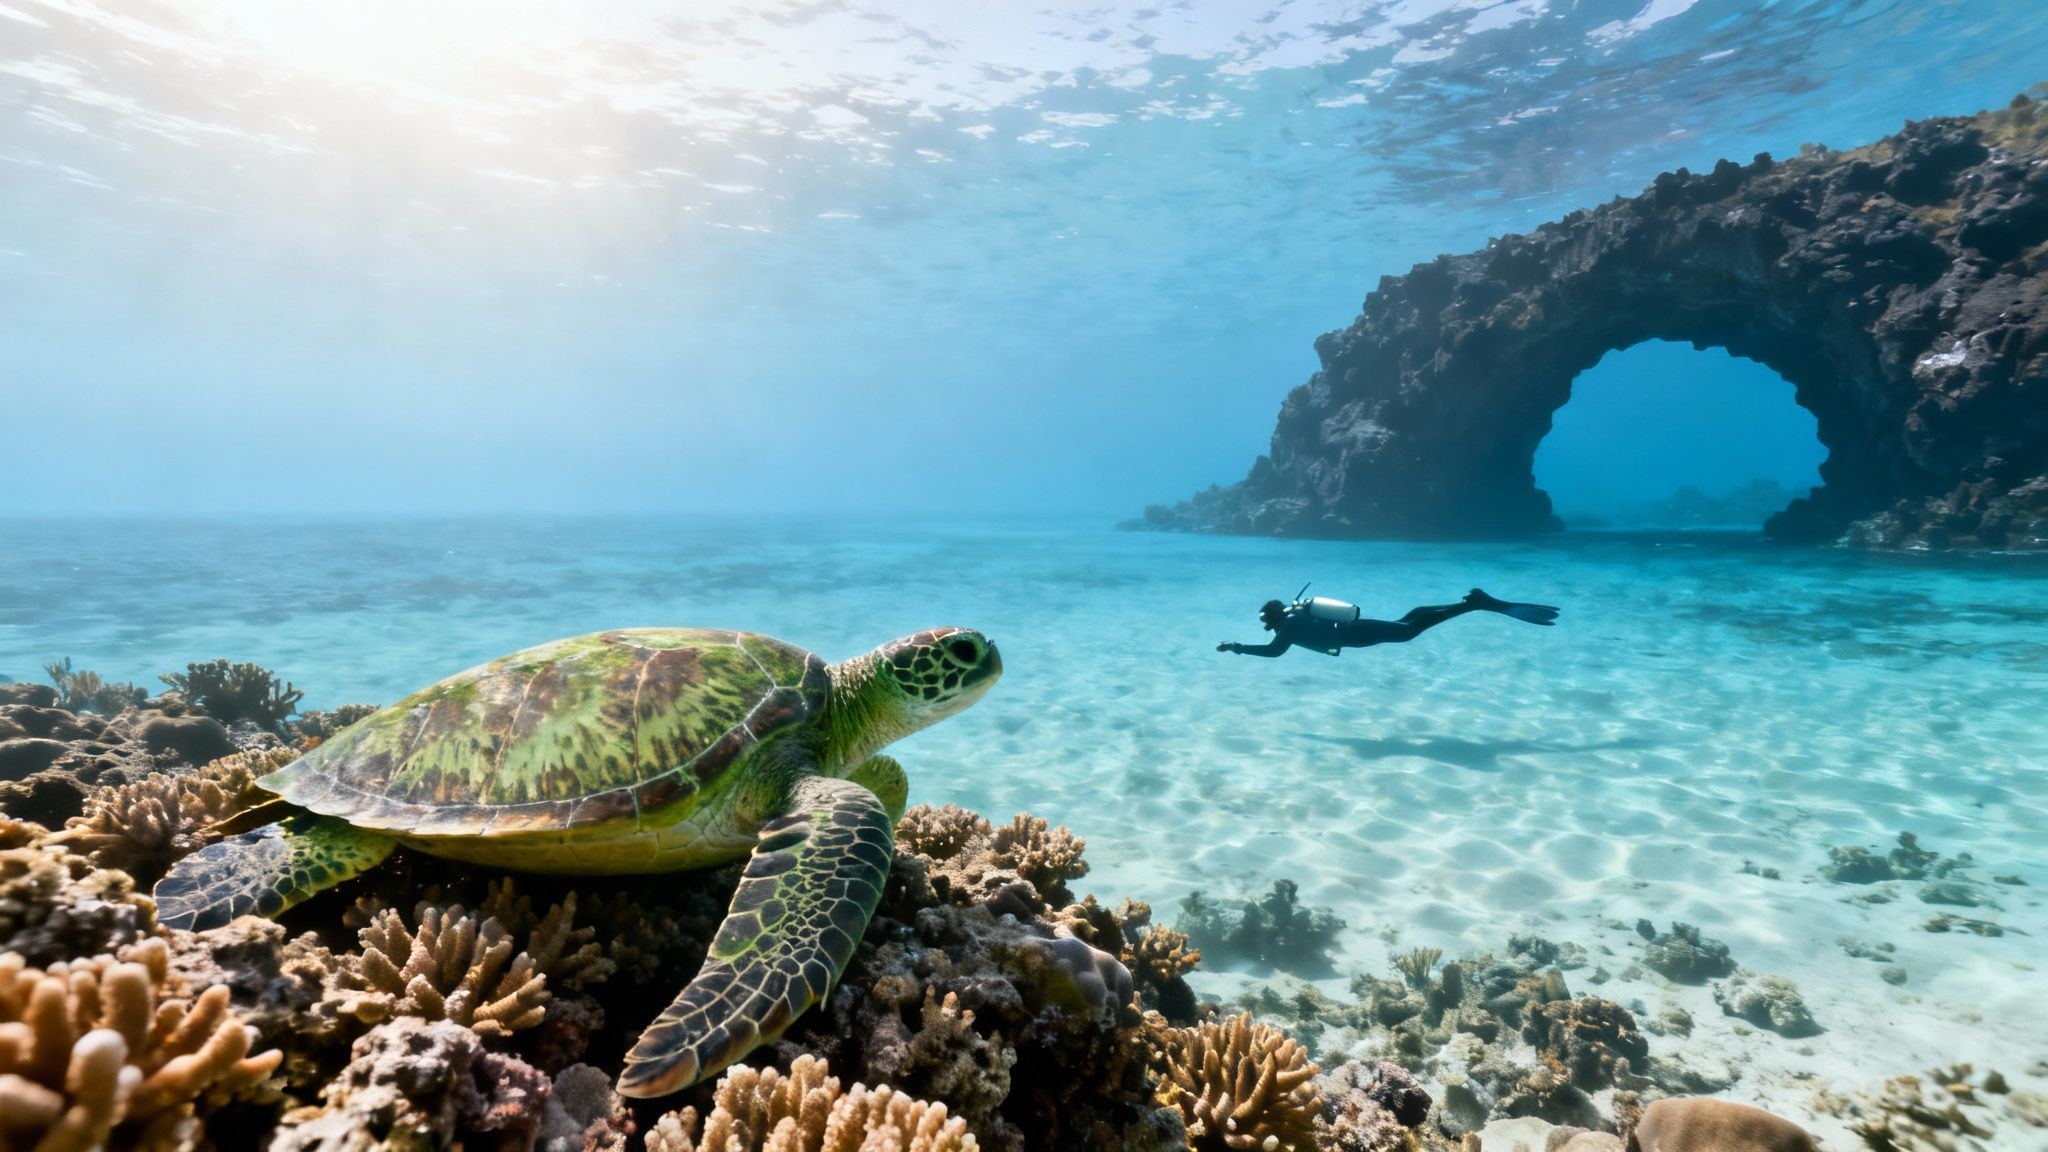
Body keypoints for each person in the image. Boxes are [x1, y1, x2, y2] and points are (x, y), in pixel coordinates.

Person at [1217, 589, 1557, 658]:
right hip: (1354, 630)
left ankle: (1475, 605)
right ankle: (1468, 603)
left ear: (1273, 619)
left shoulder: (1289, 627)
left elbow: (1275, 653)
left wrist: (1238, 648)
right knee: (1409, 617)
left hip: (1355, 635)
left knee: (1409, 630)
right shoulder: (1297, 614)